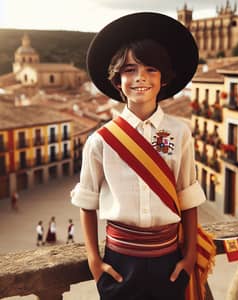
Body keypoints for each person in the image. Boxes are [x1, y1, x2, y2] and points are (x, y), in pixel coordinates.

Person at [71, 12, 206, 300]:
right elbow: (87, 203)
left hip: (169, 260)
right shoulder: (100, 141)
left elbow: (188, 196)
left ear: (164, 79)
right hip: (121, 262)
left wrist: (190, 255)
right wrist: (95, 260)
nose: (140, 77)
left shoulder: (180, 133)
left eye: (151, 69)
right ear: (117, 81)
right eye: (130, 69)